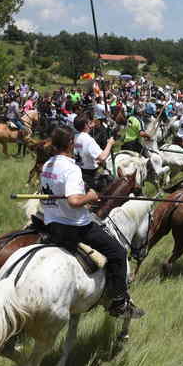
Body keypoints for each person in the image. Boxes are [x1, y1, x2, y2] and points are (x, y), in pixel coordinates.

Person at [39, 127, 144, 319]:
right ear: (71, 143)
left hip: (51, 223)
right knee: (119, 253)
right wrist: (90, 196)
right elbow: (73, 201)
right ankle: (119, 302)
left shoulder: (47, 165)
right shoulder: (71, 169)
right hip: (75, 228)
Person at [73, 116, 113, 190]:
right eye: (90, 123)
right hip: (90, 174)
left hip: (79, 170)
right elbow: (103, 157)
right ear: (86, 125)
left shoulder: (74, 137)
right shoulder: (88, 140)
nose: (92, 125)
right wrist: (110, 144)